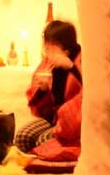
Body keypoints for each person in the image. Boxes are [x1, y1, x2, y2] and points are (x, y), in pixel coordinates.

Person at [13, 20, 82, 163]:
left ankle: (50, 160)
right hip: (54, 120)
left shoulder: (82, 59)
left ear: (65, 44)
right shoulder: (48, 62)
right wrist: (43, 90)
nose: (47, 50)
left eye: (52, 45)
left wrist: (70, 67)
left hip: (74, 125)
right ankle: (41, 159)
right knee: (22, 137)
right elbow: (37, 103)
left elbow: (90, 90)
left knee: (43, 141)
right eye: (46, 46)